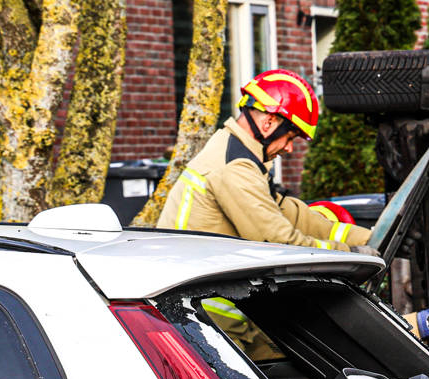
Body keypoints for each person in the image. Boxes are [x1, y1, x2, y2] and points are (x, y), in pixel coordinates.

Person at [158, 69, 368, 249]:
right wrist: (351, 254)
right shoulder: (235, 167)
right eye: (290, 137)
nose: (289, 148)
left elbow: (291, 215)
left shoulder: (235, 151)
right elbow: (279, 243)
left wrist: (369, 239)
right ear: (269, 123)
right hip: (195, 290)